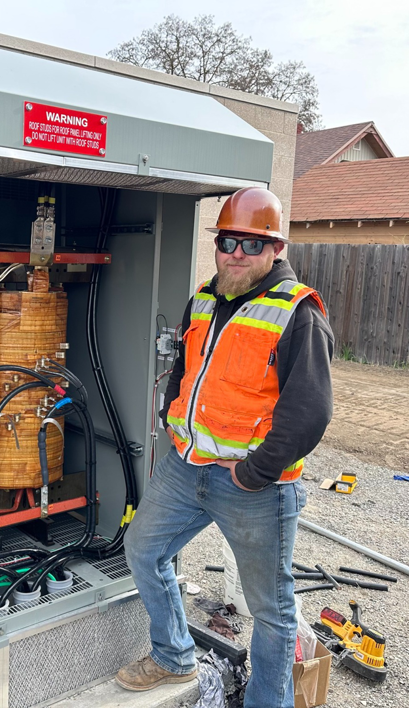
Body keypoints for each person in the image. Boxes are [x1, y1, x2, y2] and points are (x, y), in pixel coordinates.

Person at [116, 187, 334, 708]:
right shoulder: (205, 298)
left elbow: (310, 411)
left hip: (252, 485)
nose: (236, 253)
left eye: (251, 244)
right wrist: (175, 426)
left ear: (276, 249)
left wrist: (257, 471)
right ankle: (173, 656)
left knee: (270, 610)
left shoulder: (297, 313)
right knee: (143, 550)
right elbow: (185, 375)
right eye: (228, 241)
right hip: (186, 468)